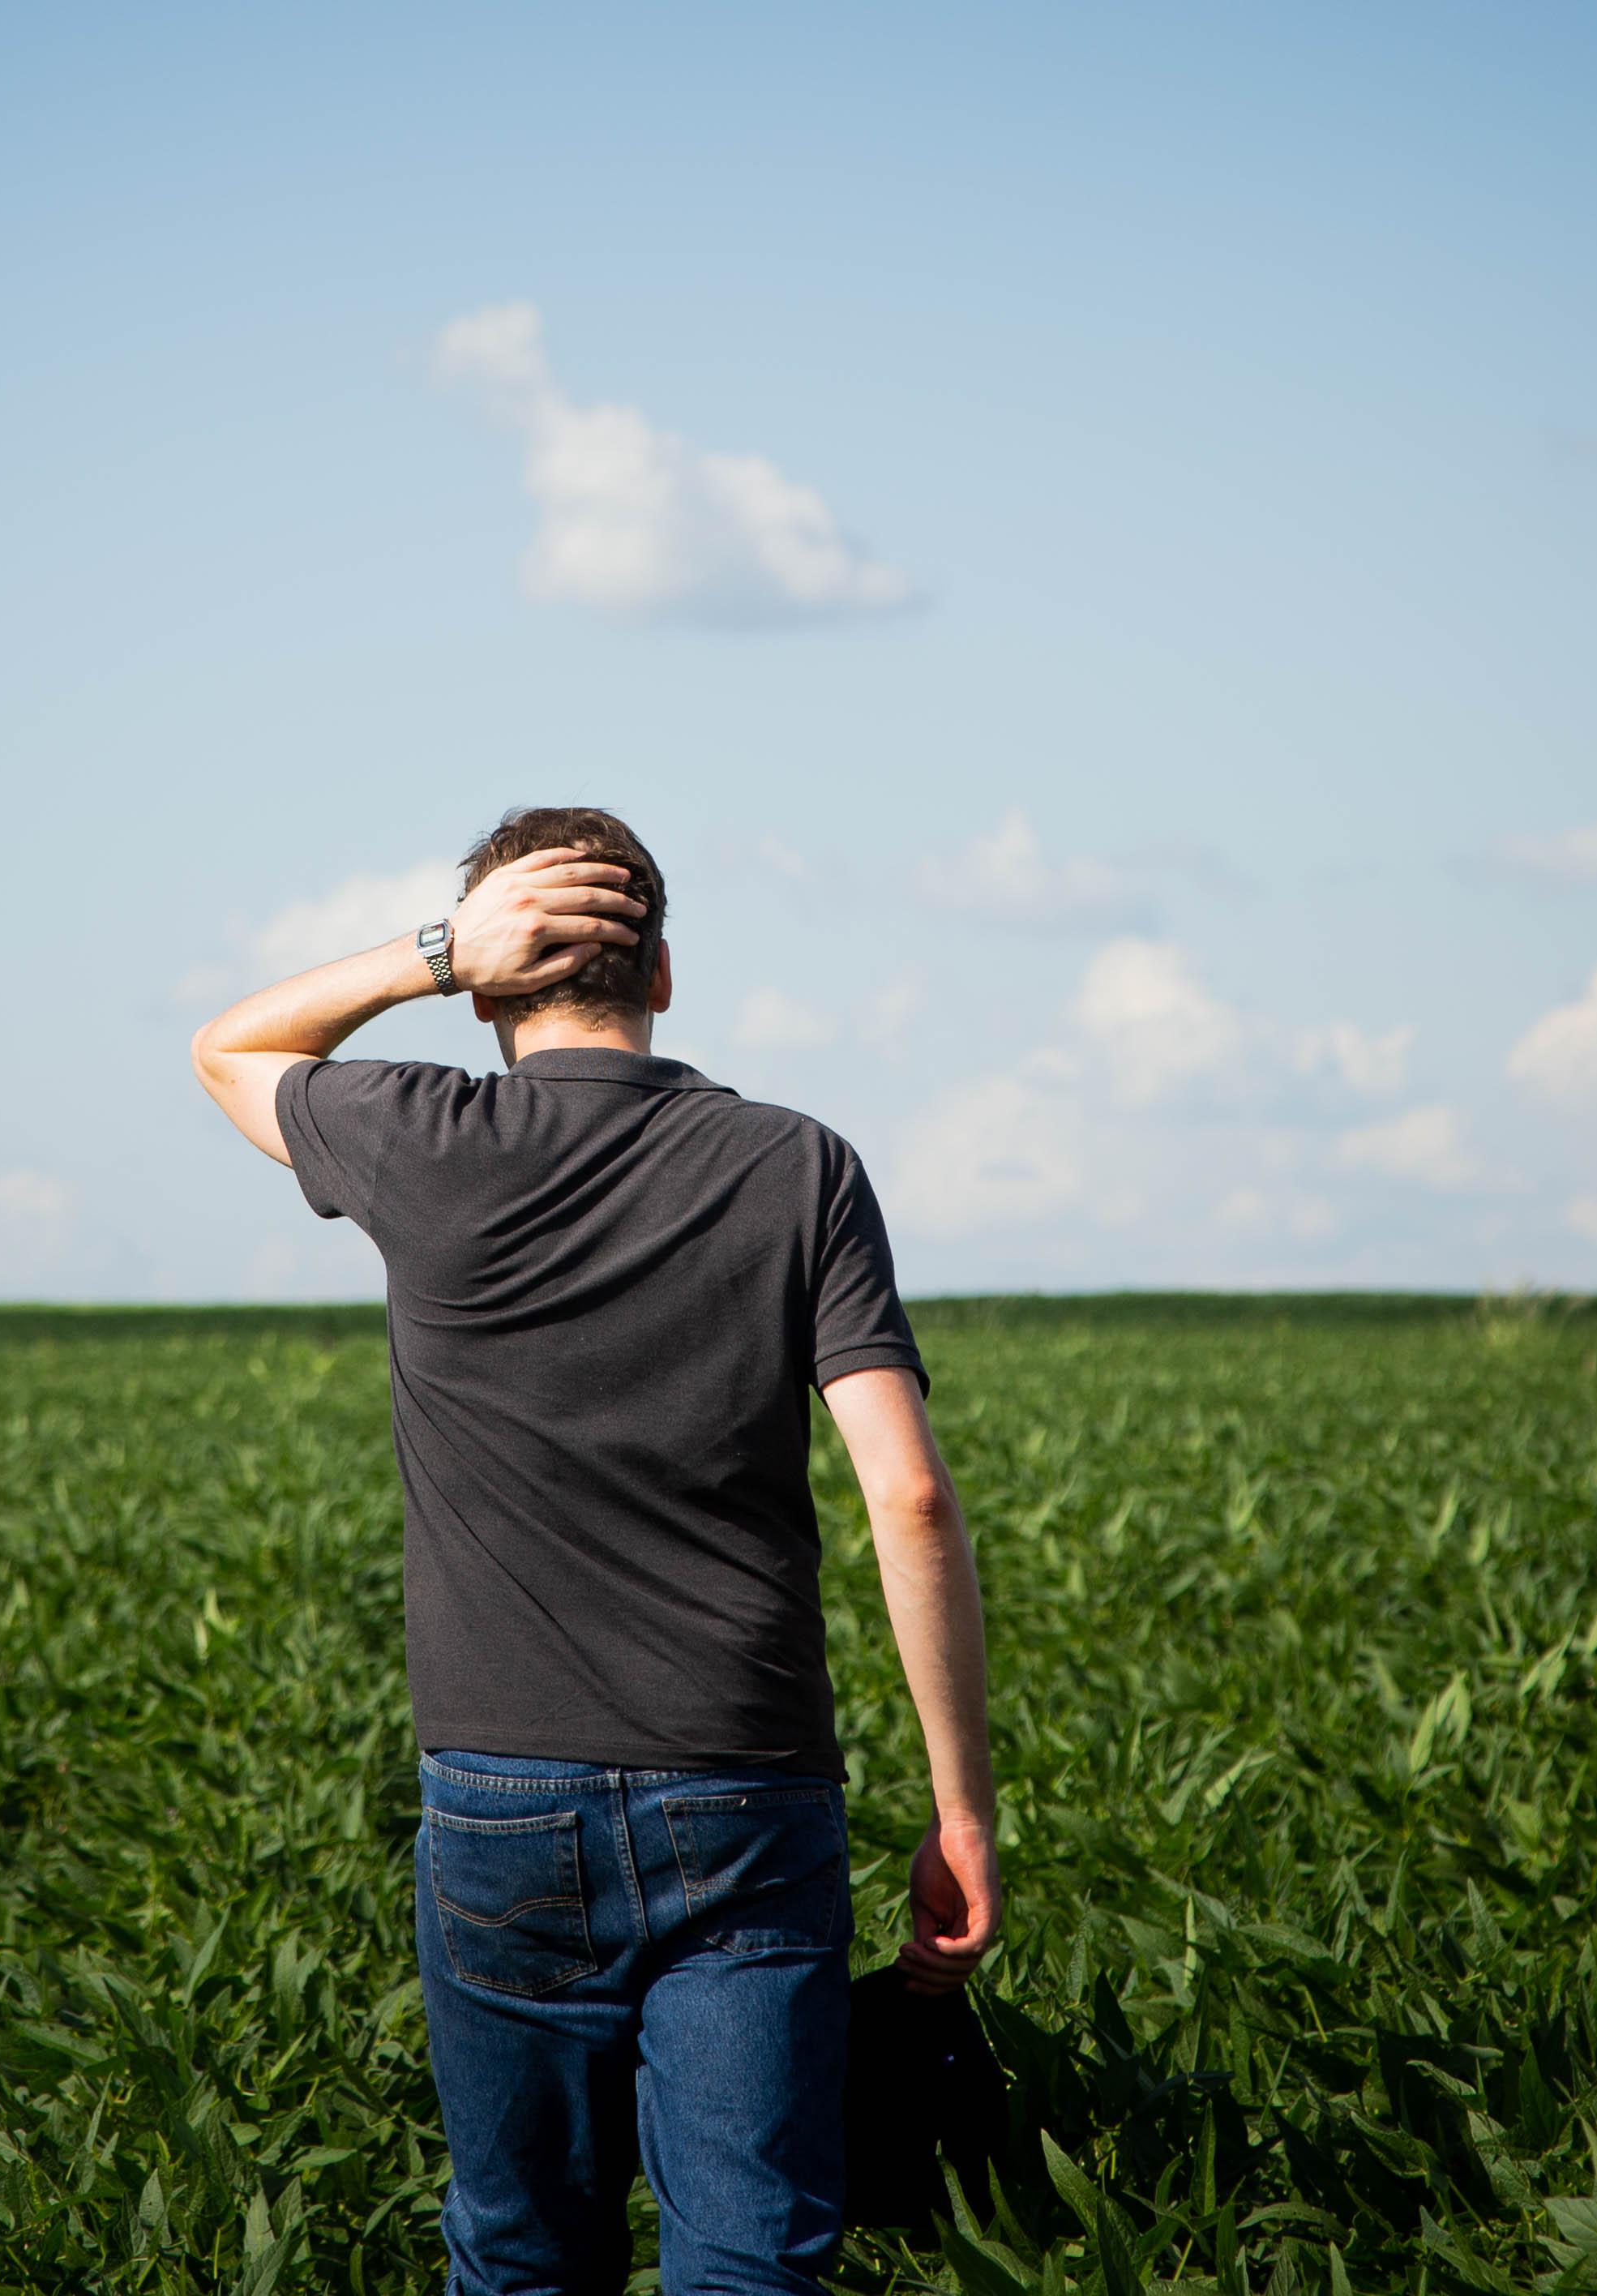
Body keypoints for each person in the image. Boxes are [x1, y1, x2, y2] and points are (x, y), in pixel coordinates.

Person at [189, 805, 1001, 2296]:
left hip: (500, 1788)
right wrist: (962, 1812)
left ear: (494, 987)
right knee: (755, 2259)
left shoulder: (416, 1139)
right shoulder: (798, 1166)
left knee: (520, 2257)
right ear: (667, 974)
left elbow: (227, 1048)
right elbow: (914, 1501)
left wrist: (433, 955)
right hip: (749, 1788)